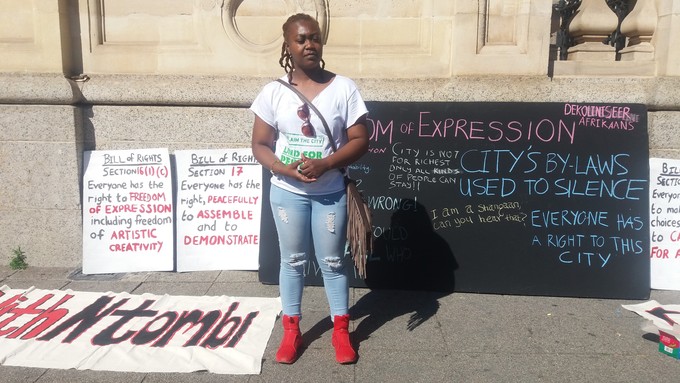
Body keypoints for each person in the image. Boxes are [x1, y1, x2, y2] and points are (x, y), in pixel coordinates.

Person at [250, 13, 369, 364]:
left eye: (314, 38)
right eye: (301, 39)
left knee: (333, 261)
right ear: (287, 46)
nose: (309, 45)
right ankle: (291, 331)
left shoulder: (344, 88)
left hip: (330, 191)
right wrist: (283, 168)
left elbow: (361, 140)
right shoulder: (273, 92)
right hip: (288, 192)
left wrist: (326, 164)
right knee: (293, 261)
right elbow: (259, 144)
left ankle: (341, 331)